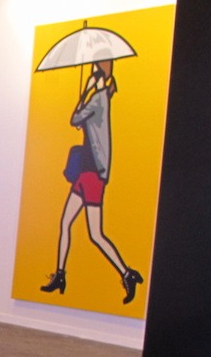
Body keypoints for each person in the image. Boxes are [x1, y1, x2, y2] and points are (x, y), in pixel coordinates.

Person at [40, 59, 142, 303]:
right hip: (85, 172)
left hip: (93, 174)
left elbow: (75, 118)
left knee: (95, 234)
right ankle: (60, 275)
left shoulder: (99, 99)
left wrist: (85, 91)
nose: (92, 74)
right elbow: (80, 120)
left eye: (95, 71)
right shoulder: (100, 99)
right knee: (65, 223)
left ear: (101, 75)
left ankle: (127, 274)